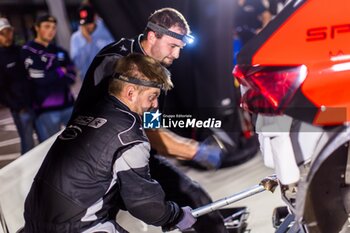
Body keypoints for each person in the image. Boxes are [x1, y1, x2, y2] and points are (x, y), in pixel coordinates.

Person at [71, 8, 228, 233]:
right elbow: (145, 131)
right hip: (98, 164)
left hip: (130, 151)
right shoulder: (119, 62)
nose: (176, 55)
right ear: (153, 36)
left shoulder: (155, 68)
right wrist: (195, 150)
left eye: (180, 48)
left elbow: (151, 127)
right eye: (172, 46)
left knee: (197, 204)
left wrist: (180, 149)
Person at [21, 53, 196, 233]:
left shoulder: (89, 113)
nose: (155, 105)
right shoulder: (129, 136)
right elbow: (144, 204)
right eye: (152, 96)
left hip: (33, 222)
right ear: (130, 92)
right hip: (77, 226)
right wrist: (176, 215)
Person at [21, 15, 77, 142]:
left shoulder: (59, 50)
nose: (51, 30)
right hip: (45, 109)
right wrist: (60, 71)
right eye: (47, 26)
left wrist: (50, 73)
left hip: (69, 106)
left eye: (53, 27)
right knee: (52, 149)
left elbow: (72, 76)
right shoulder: (28, 50)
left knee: (78, 144)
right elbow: (38, 78)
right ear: (37, 28)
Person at [0, 17, 36, 154]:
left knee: (45, 141)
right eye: (2, 33)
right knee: (28, 145)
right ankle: (28, 175)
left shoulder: (20, 50)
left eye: (8, 31)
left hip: (35, 104)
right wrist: (17, 106)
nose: (7, 36)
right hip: (21, 110)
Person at [70, 4, 114, 80]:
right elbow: (78, 65)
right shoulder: (76, 38)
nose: (87, 26)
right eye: (84, 23)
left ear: (95, 18)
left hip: (111, 77)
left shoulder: (106, 30)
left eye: (89, 22)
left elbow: (115, 51)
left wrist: (97, 42)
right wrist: (87, 42)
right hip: (90, 82)